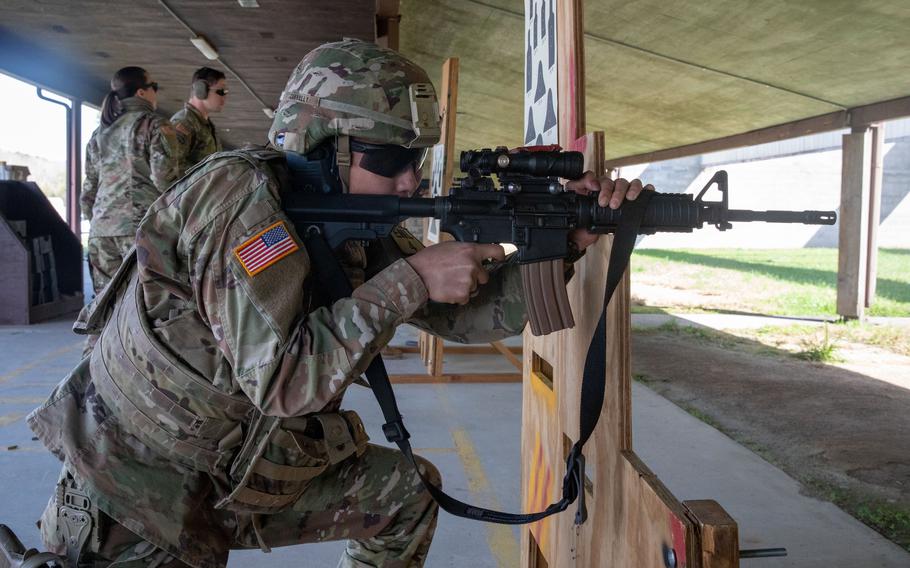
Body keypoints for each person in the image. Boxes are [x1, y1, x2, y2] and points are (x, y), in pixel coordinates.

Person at [29, 39, 649, 568]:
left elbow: (461, 317)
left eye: (417, 159)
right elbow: (284, 384)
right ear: (328, 146)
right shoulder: (241, 204)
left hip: (225, 468)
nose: (410, 179)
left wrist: (565, 242)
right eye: (391, 159)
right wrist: (411, 277)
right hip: (130, 492)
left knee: (405, 495)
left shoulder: (347, 218)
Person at [81, 66, 179, 296]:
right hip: (139, 229)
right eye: (153, 86)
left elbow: (88, 190)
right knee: (144, 304)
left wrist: (98, 222)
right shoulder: (156, 125)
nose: (157, 91)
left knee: (105, 305)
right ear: (141, 93)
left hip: (101, 231)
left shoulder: (100, 133)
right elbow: (166, 181)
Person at [171, 66, 226, 176]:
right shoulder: (184, 123)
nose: (224, 97)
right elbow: (171, 168)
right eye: (220, 92)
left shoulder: (204, 124)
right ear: (201, 90)